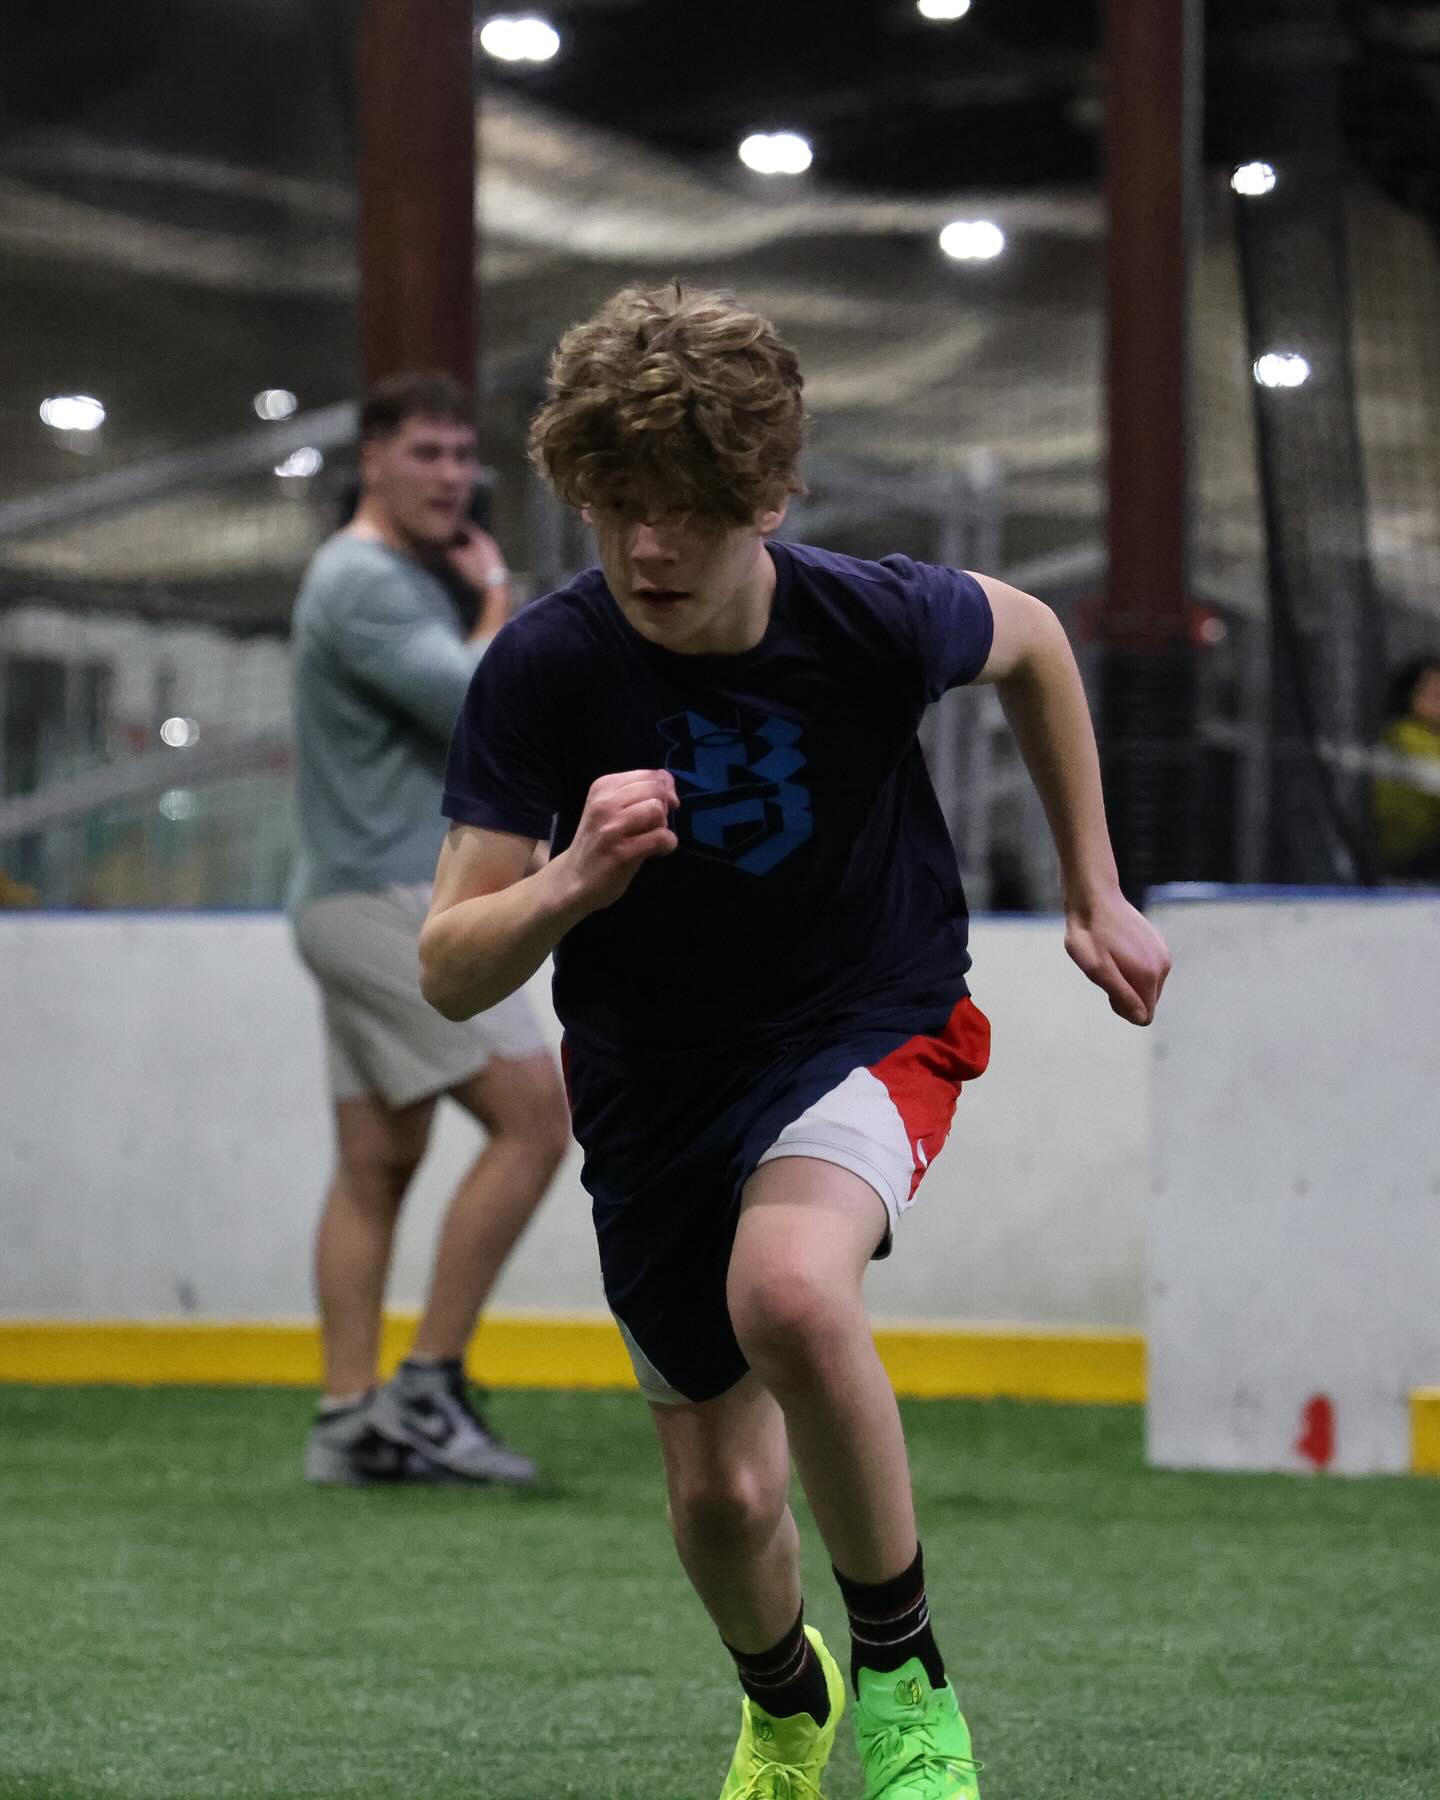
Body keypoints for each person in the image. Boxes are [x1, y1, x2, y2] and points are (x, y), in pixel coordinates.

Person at [418, 287, 1171, 1798]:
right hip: (650, 1082)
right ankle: (785, 1699)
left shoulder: (871, 617)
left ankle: (906, 1683)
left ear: (768, 497)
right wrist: (573, 880)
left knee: (791, 1292)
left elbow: (1032, 642)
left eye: (688, 512)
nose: (647, 549)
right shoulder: (549, 667)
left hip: (867, 1014)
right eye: (617, 507)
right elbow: (447, 966)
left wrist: (1096, 884)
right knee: (718, 1497)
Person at [288, 370, 570, 1487]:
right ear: (373, 461)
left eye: (463, 457)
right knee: (537, 1119)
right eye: (427, 455)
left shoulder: (380, 577)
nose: (452, 476)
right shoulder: (363, 581)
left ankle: (348, 1418)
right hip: (384, 902)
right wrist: (496, 589)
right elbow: (479, 703)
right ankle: (427, 1387)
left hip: (350, 893)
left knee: (378, 1161)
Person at [1372, 655, 1440, 881]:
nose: (1438, 698)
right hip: (1415, 853)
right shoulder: (1403, 735)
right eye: (1429, 692)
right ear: (1410, 696)